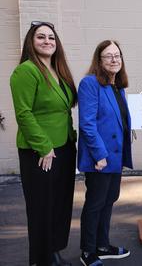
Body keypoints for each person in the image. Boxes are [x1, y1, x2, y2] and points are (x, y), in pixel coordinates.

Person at [10, 21, 77, 266]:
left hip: (64, 147)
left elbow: (64, 110)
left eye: (51, 37)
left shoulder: (59, 70)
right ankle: (42, 259)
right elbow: (24, 113)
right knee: (42, 207)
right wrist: (44, 146)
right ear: (31, 41)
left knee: (60, 204)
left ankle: (54, 251)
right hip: (41, 151)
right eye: (41, 37)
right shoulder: (26, 71)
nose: (47, 41)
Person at [78, 40, 132, 266]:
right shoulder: (90, 83)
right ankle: (88, 251)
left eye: (117, 55)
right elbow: (87, 124)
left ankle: (102, 245)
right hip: (100, 157)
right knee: (95, 203)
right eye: (108, 56)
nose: (114, 59)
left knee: (109, 199)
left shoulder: (116, 86)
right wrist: (99, 154)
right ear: (99, 60)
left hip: (115, 156)